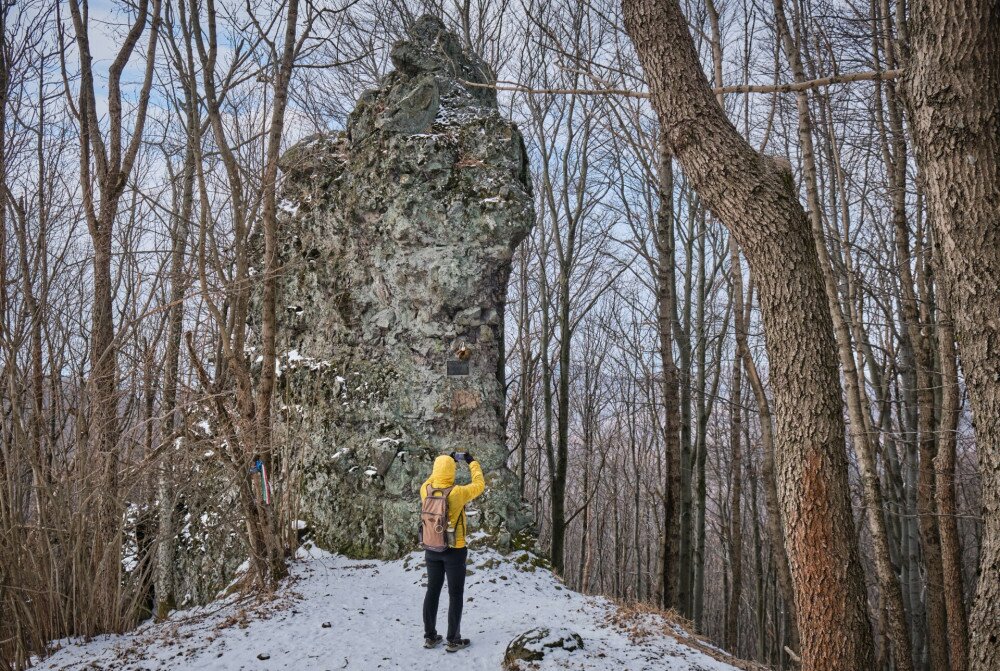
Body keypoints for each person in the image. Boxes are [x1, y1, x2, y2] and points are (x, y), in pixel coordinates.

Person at [420, 451, 485, 652]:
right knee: (455, 594)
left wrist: (445, 459)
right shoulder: (457, 493)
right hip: (454, 550)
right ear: (452, 471)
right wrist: (471, 461)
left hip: (431, 548)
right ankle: (453, 640)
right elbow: (479, 484)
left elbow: (433, 477)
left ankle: (430, 637)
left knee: (432, 591)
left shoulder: (426, 489)